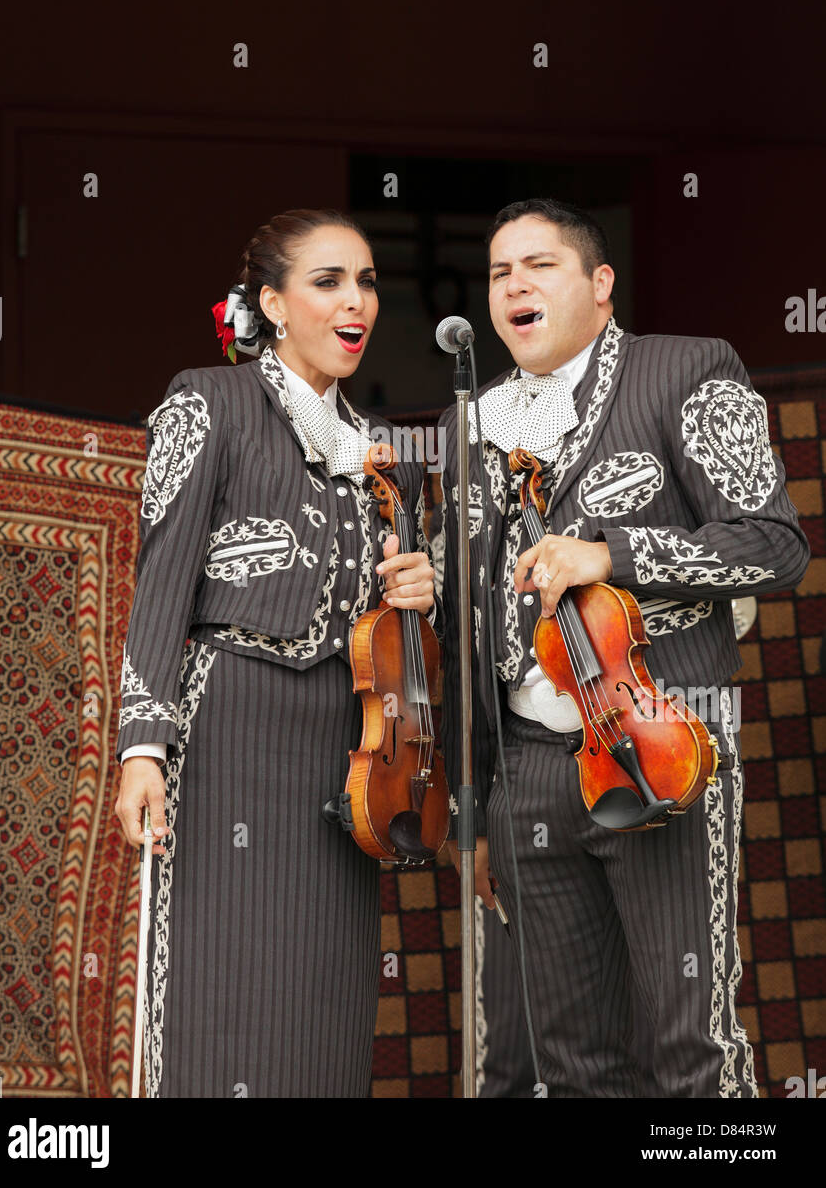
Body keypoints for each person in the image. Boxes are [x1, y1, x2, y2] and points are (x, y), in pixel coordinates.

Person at [439, 197, 810, 1098]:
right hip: (527, 769)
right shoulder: (473, 423)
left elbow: (774, 544)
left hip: (660, 742)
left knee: (691, 1047)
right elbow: (476, 621)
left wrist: (616, 555)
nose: (515, 285)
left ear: (601, 287)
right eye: (498, 273)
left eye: (540, 265)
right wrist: (479, 797)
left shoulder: (688, 371)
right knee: (569, 1063)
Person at [114, 208, 436, 1098]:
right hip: (229, 727)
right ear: (273, 303)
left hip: (350, 752)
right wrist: (143, 746)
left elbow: (400, 645)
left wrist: (417, 591)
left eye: (367, 281)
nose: (355, 301)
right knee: (222, 989)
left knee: (323, 1002)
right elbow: (162, 581)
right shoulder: (205, 401)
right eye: (329, 281)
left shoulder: (387, 459)